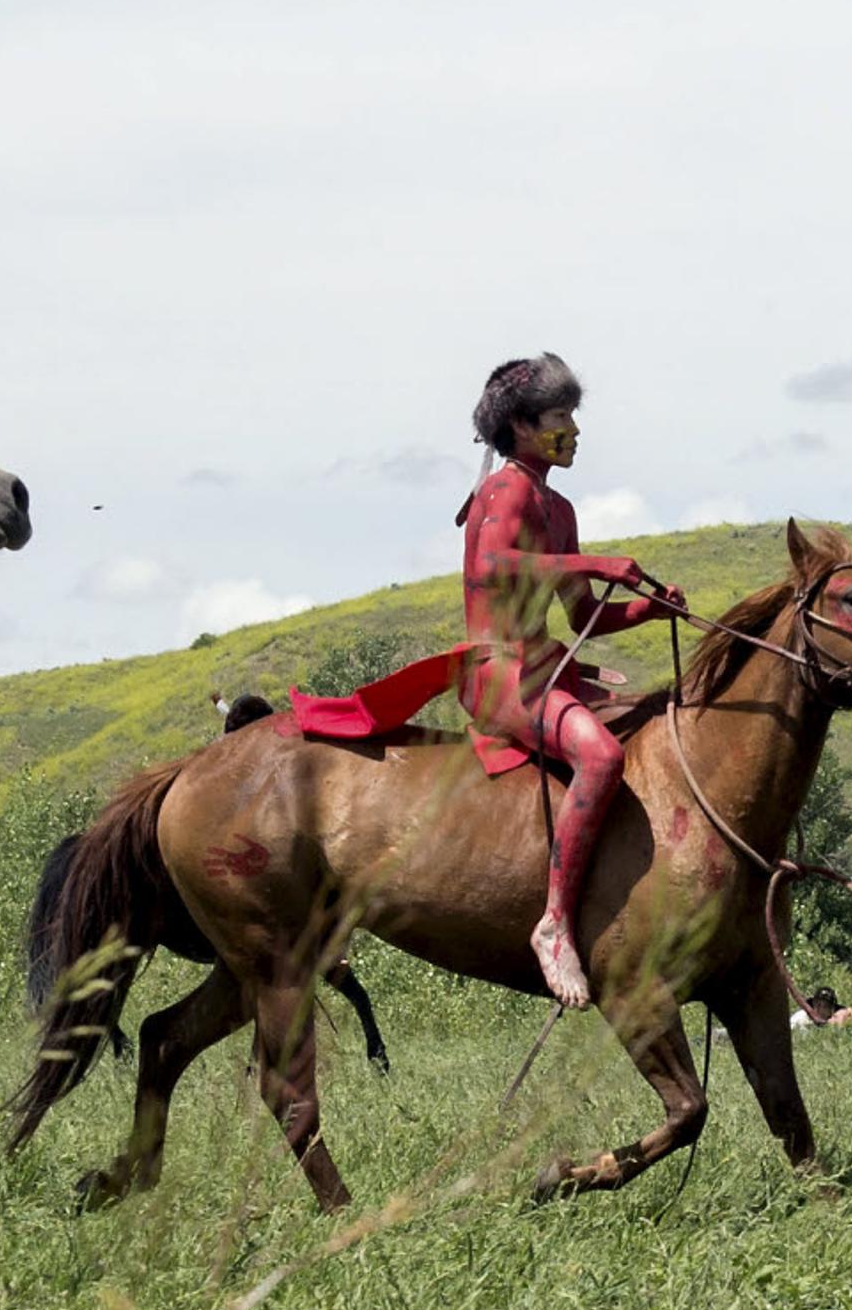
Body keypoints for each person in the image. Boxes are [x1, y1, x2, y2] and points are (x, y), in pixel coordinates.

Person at [278, 356, 683, 1007]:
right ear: (521, 426)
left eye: (573, 417)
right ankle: (553, 924)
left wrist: (647, 609)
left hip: (549, 670)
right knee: (602, 755)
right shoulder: (505, 490)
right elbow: (498, 563)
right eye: (559, 418)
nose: (572, 430)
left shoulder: (562, 507)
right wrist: (596, 559)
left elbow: (582, 615)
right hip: (499, 673)